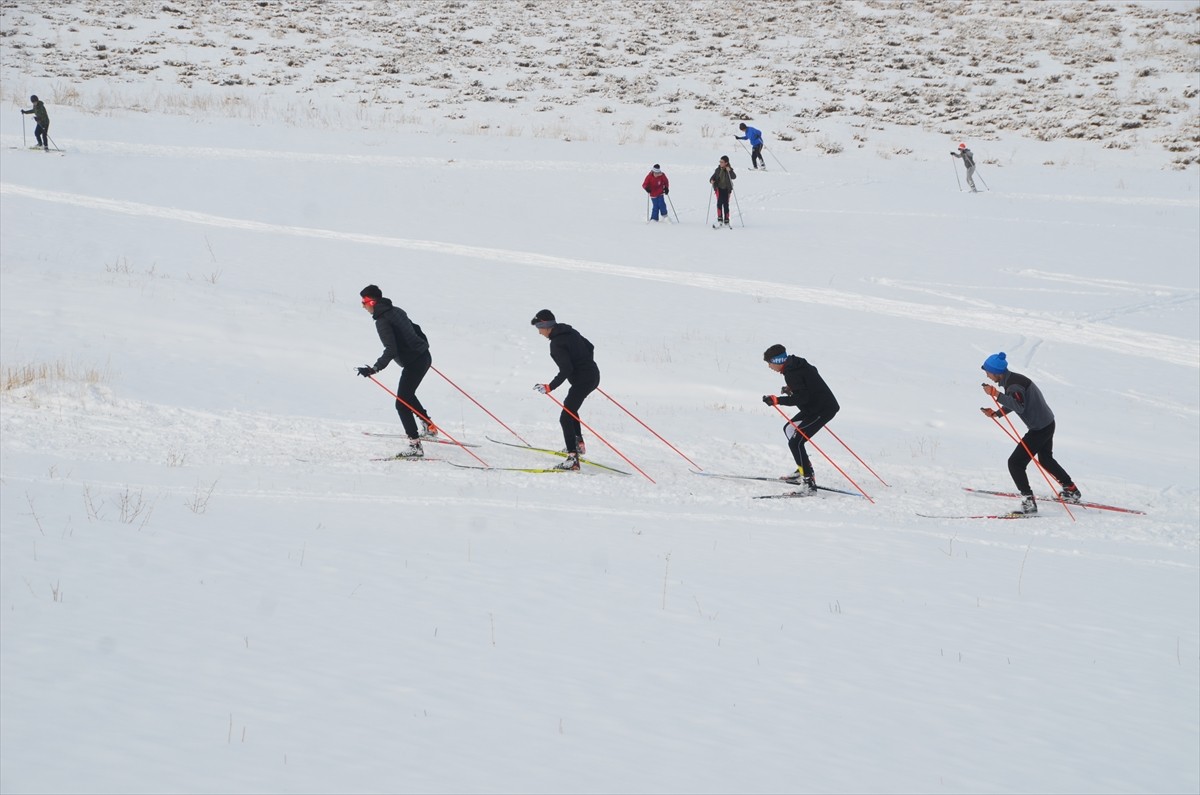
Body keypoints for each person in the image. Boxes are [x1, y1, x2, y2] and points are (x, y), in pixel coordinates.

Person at [980, 352, 1081, 514]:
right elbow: (1017, 402)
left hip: (1039, 429)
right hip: (1047, 423)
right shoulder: (1014, 380)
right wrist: (997, 413)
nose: (987, 375)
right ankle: (1071, 490)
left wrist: (996, 395)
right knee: (1046, 460)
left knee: (1015, 463)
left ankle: (1029, 503)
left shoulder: (1013, 386)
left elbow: (1019, 406)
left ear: (996, 372)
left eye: (988, 372)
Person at [355, 284, 437, 458]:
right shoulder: (397, 310)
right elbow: (416, 328)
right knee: (408, 396)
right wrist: (422, 347)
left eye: (364, 302)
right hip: (423, 357)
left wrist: (374, 368)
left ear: (372, 301)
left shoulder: (382, 321)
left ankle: (415, 446)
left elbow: (390, 349)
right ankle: (429, 426)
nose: (363, 306)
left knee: (401, 403)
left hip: (414, 363)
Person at [762, 344, 840, 494]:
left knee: (796, 442)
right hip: (814, 407)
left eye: (770, 363)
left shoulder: (791, 372)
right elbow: (811, 374)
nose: (769, 367)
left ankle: (809, 484)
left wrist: (777, 400)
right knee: (789, 428)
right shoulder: (795, 363)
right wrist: (792, 389)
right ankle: (802, 470)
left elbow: (802, 398)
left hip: (822, 409)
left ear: (778, 361)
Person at [530, 309, 600, 471]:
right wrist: (585, 365)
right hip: (593, 376)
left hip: (583, 380)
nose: (540, 333)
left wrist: (550, 387)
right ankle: (578, 444)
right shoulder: (570, 331)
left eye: (539, 328)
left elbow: (566, 369)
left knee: (565, 417)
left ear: (546, 326)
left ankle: (573, 459)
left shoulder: (556, 344)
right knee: (570, 409)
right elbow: (590, 346)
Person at [709, 156, 737, 228]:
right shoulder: (717, 170)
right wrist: (711, 180)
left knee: (726, 205)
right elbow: (712, 177)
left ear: (726, 163)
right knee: (719, 204)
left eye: (722, 162)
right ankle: (720, 220)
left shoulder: (728, 170)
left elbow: (734, 177)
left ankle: (727, 220)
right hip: (719, 189)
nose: (720, 163)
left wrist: (730, 170)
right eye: (720, 162)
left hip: (727, 190)